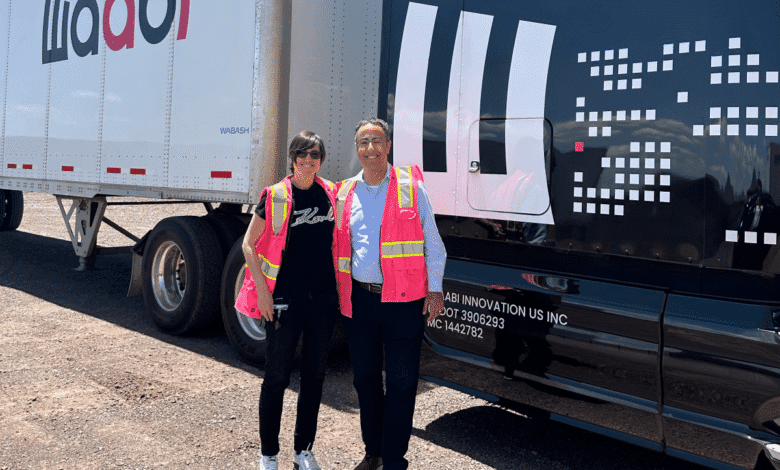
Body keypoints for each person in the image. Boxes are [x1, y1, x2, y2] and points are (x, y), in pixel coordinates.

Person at [333, 118, 447, 470]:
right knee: (365, 380)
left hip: (402, 303)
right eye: (363, 142)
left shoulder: (412, 189)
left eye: (377, 141)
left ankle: (395, 459)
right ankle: (374, 452)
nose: (370, 148)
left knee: (401, 383)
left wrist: (435, 290)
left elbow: (434, 245)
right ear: (357, 149)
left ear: (389, 145)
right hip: (360, 302)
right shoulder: (343, 193)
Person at [235, 131, 339, 470]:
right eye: (302, 155)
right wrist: (263, 292)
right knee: (277, 377)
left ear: (321, 159)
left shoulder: (330, 194)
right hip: (284, 299)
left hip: (323, 300)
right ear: (292, 158)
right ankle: (269, 455)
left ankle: (303, 451)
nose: (308, 161)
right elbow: (249, 245)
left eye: (315, 156)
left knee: (314, 377)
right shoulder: (276, 196)